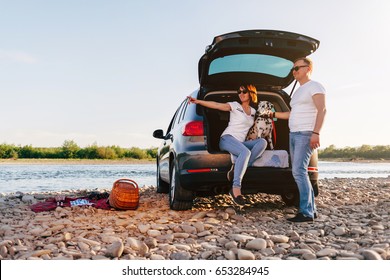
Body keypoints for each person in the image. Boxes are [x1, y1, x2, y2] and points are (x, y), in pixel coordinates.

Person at [265, 57, 326, 222]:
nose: (294, 71)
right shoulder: (299, 91)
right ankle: (311, 210)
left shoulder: (315, 86)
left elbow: (322, 110)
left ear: (308, 69)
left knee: (299, 172)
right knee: (301, 172)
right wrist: (272, 114)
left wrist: (316, 133)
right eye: (293, 69)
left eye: (297, 68)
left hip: (306, 133)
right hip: (294, 133)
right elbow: (292, 114)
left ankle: (305, 213)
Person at [188, 85, 267, 206]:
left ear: (251, 93)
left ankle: (237, 168)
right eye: (239, 91)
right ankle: (236, 189)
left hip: (241, 142)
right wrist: (198, 101)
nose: (241, 93)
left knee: (262, 142)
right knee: (245, 152)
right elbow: (217, 105)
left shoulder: (253, 111)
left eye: (244, 91)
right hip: (227, 139)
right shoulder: (235, 105)